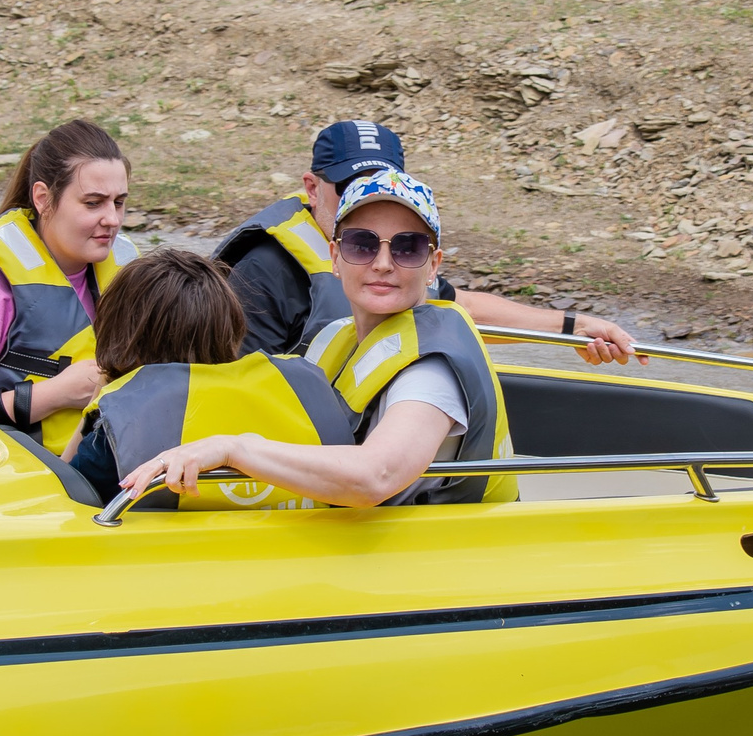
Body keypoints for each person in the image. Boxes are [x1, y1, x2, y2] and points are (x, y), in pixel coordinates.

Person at [121, 169, 513, 511]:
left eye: (407, 248)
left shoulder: (431, 371)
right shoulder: (333, 337)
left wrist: (233, 449)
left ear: (433, 266)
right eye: (362, 244)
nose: (381, 263)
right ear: (335, 256)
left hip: (438, 556)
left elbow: (375, 475)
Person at [217, 119, 640, 364]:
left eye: (379, 185)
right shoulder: (262, 271)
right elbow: (238, 385)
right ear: (312, 187)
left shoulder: (398, 249)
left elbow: (454, 306)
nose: (363, 200)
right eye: (349, 186)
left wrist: (572, 327)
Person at [67, 246, 354, 508]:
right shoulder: (307, 393)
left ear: (121, 339)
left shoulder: (117, 431)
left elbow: (63, 495)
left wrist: (100, 397)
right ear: (231, 330)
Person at [0, 118, 136, 454]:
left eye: (119, 202)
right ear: (42, 198)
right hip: (23, 478)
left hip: (114, 471)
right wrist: (54, 395)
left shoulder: (131, 279)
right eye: (93, 203)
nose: (112, 219)